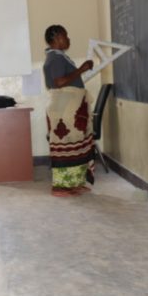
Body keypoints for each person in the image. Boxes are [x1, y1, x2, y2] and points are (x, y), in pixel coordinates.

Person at [43, 24, 95, 196]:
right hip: (64, 110)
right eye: (65, 36)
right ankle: (60, 187)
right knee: (65, 146)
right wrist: (82, 69)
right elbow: (59, 82)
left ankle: (74, 183)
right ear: (57, 38)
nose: (68, 39)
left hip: (69, 108)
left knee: (76, 145)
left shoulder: (59, 57)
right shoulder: (56, 58)